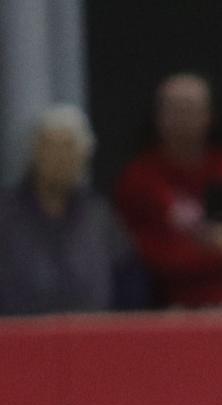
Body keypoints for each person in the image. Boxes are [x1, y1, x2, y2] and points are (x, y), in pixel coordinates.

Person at [115, 73, 222, 307]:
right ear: (157, 117)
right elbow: (134, 251)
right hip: (173, 311)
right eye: (174, 110)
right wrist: (209, 251)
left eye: (191, 109)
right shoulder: (139, 179)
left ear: (210, 115)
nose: (183, 118)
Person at [0, 105, 137, 316]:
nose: (60, 158)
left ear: (84, 156)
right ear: (34, 152)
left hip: (89, 333)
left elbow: (127, 275)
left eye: (70, 148)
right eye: (52, 147)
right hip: (17, 335)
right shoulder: (6, 213)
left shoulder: (98, 214)